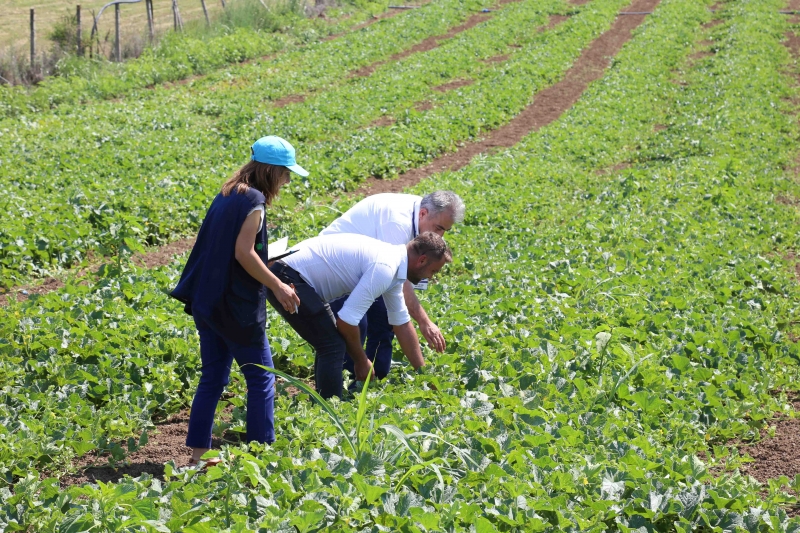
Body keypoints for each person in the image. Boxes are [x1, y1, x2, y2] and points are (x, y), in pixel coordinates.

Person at [169, 135, 306, 465]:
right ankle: (261, 457)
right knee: (261, 378)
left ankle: (199, 456)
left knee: (213, 377)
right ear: (271, 170)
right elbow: (243, 253)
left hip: (208, 299)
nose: (287, 180)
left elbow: (231, 249)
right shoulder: (255, 201)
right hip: (236, 305)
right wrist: (278, 286)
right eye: (286, 173)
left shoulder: (229, 192)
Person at [266, 232, 452, 399]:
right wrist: (361, 361)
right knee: (332, 345)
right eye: (433, 271)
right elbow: (346, 322)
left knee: (330, 342)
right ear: (422, 260)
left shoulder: (394, 264)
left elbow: (402, 324)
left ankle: (325, 403)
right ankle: (327, 412)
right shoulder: (385, 267)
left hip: (294, 275)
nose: (431, 277)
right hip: (287, 278)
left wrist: (425, 376)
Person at [320, 191, 465, 379]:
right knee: (355, 322)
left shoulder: (427, 220)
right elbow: (400, 282)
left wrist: (423, 375)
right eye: (438, 228)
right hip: (334, 265)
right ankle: (344, 380)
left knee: (385, 316)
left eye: (445, 230)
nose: (440, 235)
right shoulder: (396, 225)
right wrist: (424, 321)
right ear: (422, 214)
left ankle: (375, 379)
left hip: (366, 266)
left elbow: (401, 300)